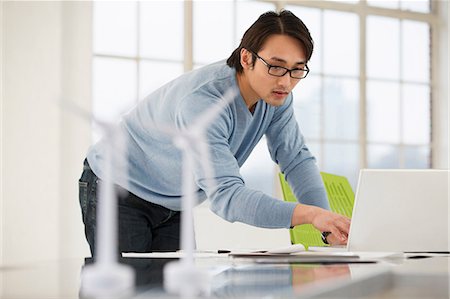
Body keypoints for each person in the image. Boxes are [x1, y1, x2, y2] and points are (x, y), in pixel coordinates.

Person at [79, 9, 351, 256]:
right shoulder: (204, 104)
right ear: (246, 58)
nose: (286, 81)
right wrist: (308, 214)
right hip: (117, 188)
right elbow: (227, 197)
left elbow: (296, 160)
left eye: (296, 69)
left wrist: (328, 224)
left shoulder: (276, 97)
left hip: (174, 201)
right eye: (276, 66)